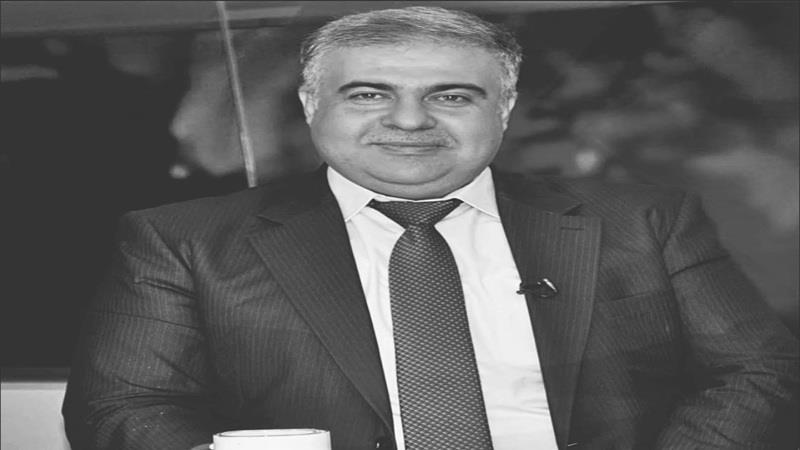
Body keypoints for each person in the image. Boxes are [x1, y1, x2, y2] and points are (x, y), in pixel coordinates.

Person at [62, 6, 799, 450]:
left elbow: (759, 372)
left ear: (503, 109)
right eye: (368, 94)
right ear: (312, 106)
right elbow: (123, 409)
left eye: (451, 95)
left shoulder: (643, 222)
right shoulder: (185, 242)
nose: (410, 121)